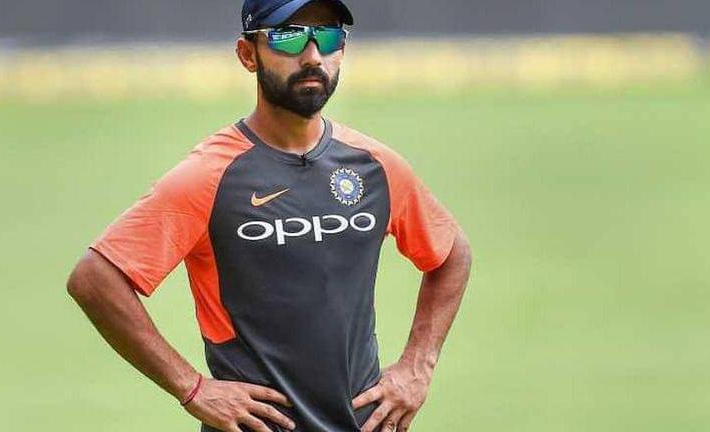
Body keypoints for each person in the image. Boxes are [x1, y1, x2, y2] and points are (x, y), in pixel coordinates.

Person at [66, 0, 472, 431]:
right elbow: (95, 278)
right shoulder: (210, 175)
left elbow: (451, 254)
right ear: (248, 54)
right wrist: (192, 388)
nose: (312, 55)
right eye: (288, 37)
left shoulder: (374, 167)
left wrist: (417, 366)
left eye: (328, 37)